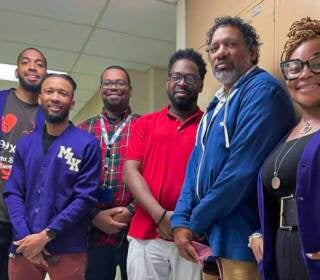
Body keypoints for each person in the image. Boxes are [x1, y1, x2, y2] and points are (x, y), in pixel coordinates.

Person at [171, 16, 295, 280]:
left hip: (244, 238)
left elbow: (241, 172)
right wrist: (180, 221)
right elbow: (194, 167)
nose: (220, 53)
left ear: (252, 52)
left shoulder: (263, 91)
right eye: (214, 48)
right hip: (214, 237)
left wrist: (193, 224)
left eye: (231, 44)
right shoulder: (216, 105)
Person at [251, 17, 320, 279]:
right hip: (283, 263)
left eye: (319, 63)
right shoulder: (284, 135)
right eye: (294, 67)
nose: (305, 73)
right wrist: (257, 232)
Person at [4, 73, 101, 280]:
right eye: (49, 91)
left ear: (72, 102)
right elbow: (13, 192)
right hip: (24, 245)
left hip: (68, 247)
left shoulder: (87, 144)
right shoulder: (25, 144)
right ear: (40, 98)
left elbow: (85, 198)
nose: (55, 97)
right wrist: (26, 237)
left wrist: (46, 235)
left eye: (62, 93)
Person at [122, 48, 206, 280]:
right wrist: (161, 216)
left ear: (200, 84)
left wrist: (182, 221)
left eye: (190, 78)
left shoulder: (210, 126)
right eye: (176, 77)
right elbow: (130, 172)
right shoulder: (144, 124)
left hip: (192, 235)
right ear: (168, 82)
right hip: (146, 233)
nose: (182, 83)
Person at [78, 65, 138, 280]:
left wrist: (131, 210)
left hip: (134, 233)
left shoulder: (145, 127)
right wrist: (94, 215)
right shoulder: (81, 130)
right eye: (108, 83)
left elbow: (154, 177)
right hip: (91, 232)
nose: (114, 87)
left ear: (130, 89)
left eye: (120, 83)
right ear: (101, 88)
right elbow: (70, 181)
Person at [0, 47, 47, 280]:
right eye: (26, 62)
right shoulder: (1, 101)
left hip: (26, 223)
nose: (32, 67)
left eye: (39, 64)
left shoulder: (49, 116)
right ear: (17, 69)